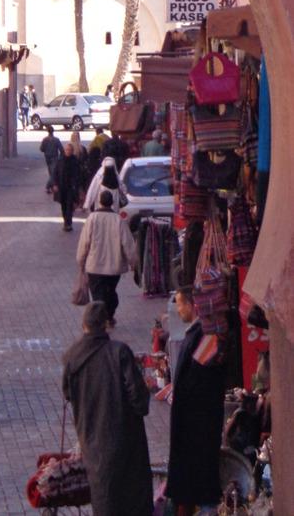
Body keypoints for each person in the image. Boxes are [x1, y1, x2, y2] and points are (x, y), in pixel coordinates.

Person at [62, 301, 153, 516]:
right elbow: (139, 399)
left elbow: (68, 394)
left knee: (104, 498)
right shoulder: (119, 352)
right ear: (105, 325)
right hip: (126, 440)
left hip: (92, 440)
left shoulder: (72, 357)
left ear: (84, 325)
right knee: (133, 500)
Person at [166, 287, 226, 515]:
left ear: (192, 305)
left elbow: (199, 378)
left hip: (199, 418)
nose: (178, 309)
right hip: (194, 417)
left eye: (180, 303)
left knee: (199, 469)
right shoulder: (199, 333)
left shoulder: (205, 334)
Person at [76, 189, 137, 327]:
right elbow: (128, 243)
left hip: (94, 266)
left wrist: (81, 260)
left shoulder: (92, 219)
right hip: (114, 267)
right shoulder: (118, 220)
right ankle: (108, 317)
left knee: (98, 295)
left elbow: (84, 242)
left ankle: (100, 320)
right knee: (110, 292)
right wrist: (133, 261)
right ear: (112, 202)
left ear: (100, 202)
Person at [53, 141, 82, 231]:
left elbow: (79, 174)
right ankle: (65, 220)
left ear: (72, 151)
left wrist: (78, 186)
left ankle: (68, 223)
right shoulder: (60, 160)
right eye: (66, 150)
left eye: (69, 150)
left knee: (70, 205)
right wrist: (55, 184)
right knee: (63, 205)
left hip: (71, 188)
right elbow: (55, 173)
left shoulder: (75, 161)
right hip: (62, 187)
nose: (68, 151)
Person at [40, 127, 64, 193]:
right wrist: (61, 157)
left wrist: (46, 150)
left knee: (51, 172)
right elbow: (61, 149)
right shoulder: (56, 140)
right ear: (53, 131)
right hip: (54, 157)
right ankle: (48, 186)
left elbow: (41, 149)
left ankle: (51, 186)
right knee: (53, 173)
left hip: (47, 157)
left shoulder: (45, 139)